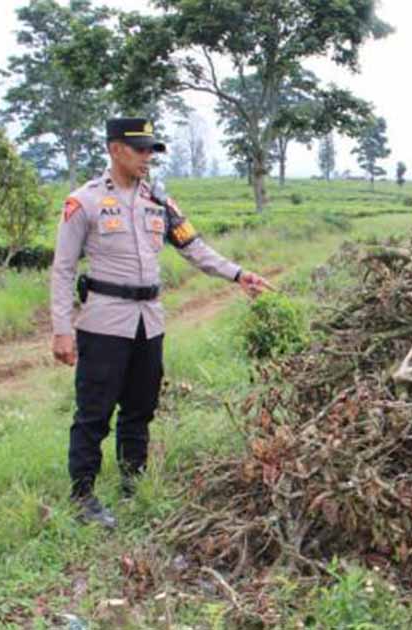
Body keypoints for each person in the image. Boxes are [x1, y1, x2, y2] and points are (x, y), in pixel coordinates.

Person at [50, 118, 272, 529]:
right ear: (116, 150)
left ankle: (134, 483)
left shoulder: (160, 203)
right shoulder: (85, 202)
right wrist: (62, 329)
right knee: (94, 412)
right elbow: (63, 270)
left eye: (152, 150)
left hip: (148, 322)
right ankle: (82, 495)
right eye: (141, 150)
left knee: (141, 407)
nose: (148, 158)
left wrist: (239, 274)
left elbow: (195, 248)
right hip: (104, 322)